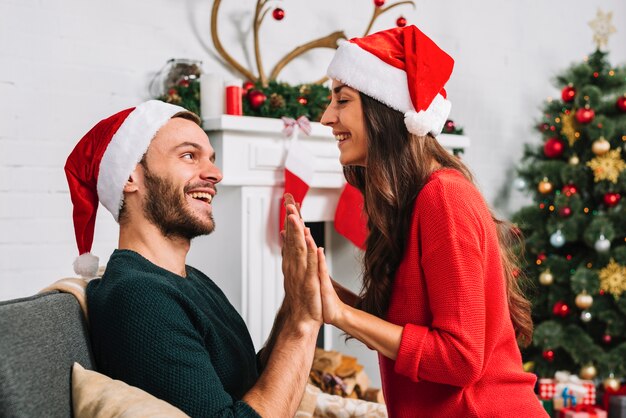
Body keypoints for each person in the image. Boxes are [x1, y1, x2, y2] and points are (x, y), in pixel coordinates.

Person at [299, 25, 548, 417]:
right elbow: (406, 328)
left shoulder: (443, 198)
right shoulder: (412, 200)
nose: (328, 116)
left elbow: (460, 360)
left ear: (384, 109)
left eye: (342, 100)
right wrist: (321, 289)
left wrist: (341, 314)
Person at [64, 100, 322, 417]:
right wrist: (304, 325)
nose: (215, 173)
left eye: (211, 159)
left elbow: (246, 387)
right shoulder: (138, 296)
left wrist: (296, 302)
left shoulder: (192, 280)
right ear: (130, 178)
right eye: (189, 156)